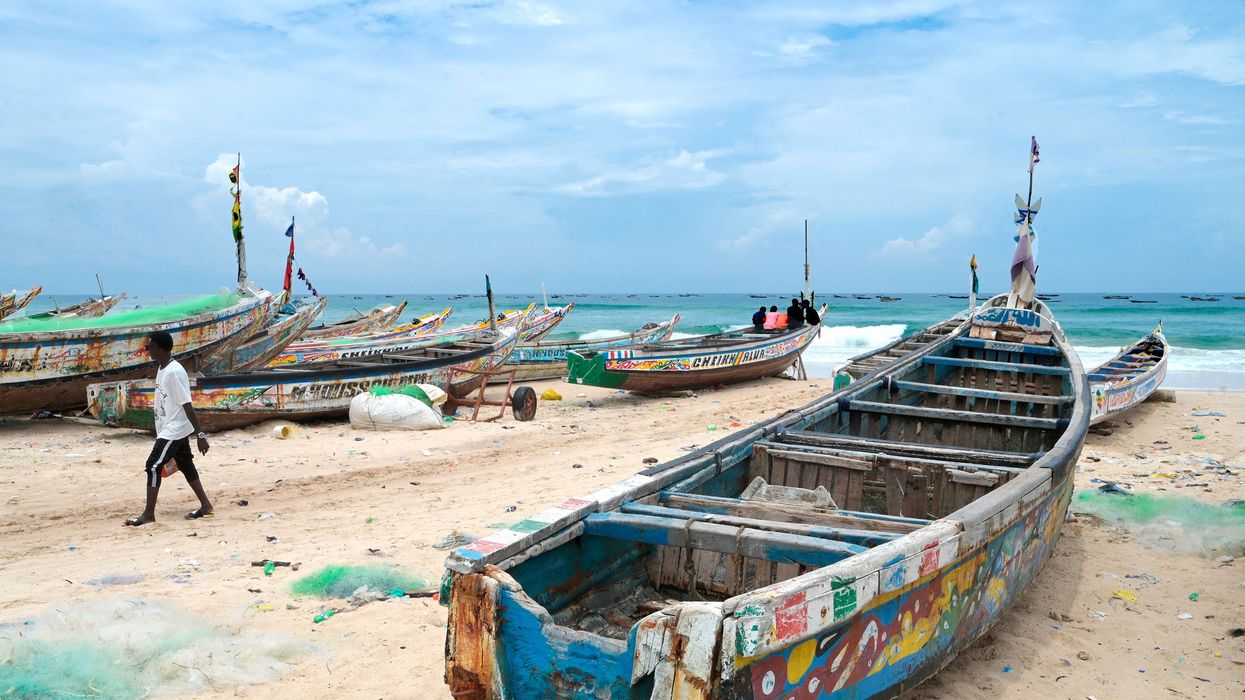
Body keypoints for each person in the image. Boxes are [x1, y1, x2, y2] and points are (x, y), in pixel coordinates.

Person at [124, 330, 213, 526]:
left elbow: (187, 404)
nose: (147, 350)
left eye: (149, 347)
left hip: (175, 428)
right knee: (185, 464)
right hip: (170, 427)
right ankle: (206, 506)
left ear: (158, 348)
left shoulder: (174, 372)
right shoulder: (163, 368)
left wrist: (200, 434)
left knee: (153, 466)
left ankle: (148, 514)